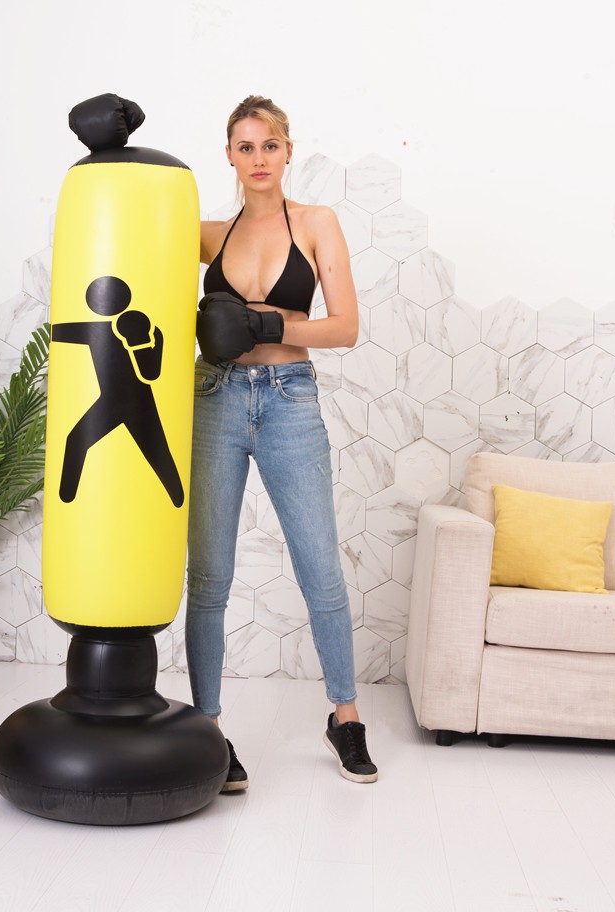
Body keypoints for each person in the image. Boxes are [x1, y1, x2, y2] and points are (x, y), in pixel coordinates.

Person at [187, 95, 378, 790]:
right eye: (245, 147)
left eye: (269, 145)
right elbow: (136, 229)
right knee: (209, 577)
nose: (258, 158)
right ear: (229, 156)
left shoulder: (317, 223)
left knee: (320, 568)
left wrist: (268, 325)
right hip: (216, 399)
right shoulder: (210, 235)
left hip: (290, 400)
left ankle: (345, 718)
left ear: (288, 151)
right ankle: (207, 729)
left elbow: (345, 327)